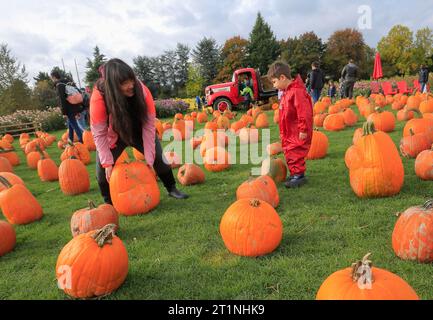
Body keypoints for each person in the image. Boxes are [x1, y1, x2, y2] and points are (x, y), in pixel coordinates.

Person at [90, 58, 188, 204]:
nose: (130, 86)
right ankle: (108, 201)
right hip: (115, 134)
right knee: (102, 170)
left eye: (131, 80)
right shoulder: (99, 98)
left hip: (139, 130)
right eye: (124, 83)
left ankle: (172, 188)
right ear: (113, 87)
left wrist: (149, 159)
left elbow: (149, 125)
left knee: (158, 157)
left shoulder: (141, 90)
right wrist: (107, 163)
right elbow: (99, 134)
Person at [267, 61, 313, 188]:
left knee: (295, 152)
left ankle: (299, 175)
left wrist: (303, 129)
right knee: (289, 152)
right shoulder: (287, 92)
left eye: (274, 82)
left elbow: (304, 112)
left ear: (282, 77)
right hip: (289, 131)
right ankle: (295, 173)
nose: (274, 85)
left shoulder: (296, 92)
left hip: (296, 131)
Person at [50, 70, 84, 143]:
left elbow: (62, 99)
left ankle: (82, 141)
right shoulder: (67, 82)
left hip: (68, 109)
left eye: (51, 78)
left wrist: (64, 112)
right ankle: (70, 140)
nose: (52, 80)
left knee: (74, 125)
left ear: (54, 77)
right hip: (73, 105)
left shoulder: (59, 85)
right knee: (70, 125)